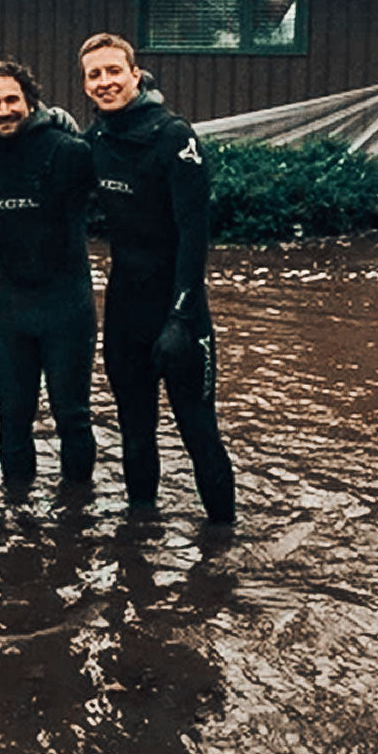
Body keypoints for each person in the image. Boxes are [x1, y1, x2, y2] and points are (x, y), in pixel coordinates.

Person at [78, 32, 235, 522]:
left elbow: (195, 236)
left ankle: (224, 547)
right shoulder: (95, 142)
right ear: (85, 85)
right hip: (125, 314)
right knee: (135, 431)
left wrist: (181, 317)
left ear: (135, 74)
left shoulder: (174, 136)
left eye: (113, 71)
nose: (105, 82)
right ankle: (139, 546)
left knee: (198, 432)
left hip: (180, 315)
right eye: (94, 75)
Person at [0, 59, 97, 485]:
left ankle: (76, 522)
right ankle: (15, 524)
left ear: (31, 102)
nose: (3, 110)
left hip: (67, 308)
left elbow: (126, 195)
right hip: (10, 312)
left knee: (72, 417)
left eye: (11, 100)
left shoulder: (69, 151)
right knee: (12, 418)